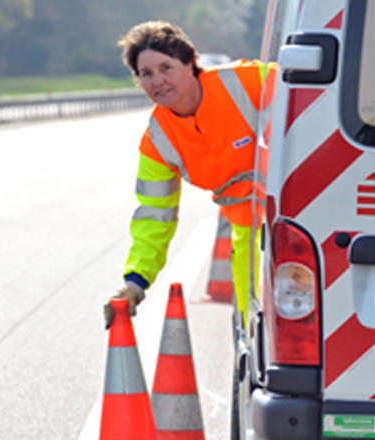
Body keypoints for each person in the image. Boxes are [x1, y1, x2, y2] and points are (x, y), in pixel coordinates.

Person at [104, 20, 268, 327]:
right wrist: (135, 283)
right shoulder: (158, 141)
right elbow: (154, 215)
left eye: (166, 67)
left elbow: (309, 96)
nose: (158, 81)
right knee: (253, 328)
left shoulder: (246, 82)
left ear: (192, 64)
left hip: (303, 212)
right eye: (146, 74)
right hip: (247, 233)